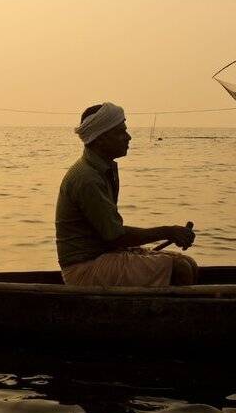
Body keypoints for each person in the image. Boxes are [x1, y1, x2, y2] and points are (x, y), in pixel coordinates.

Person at [55, 102, 198, 287]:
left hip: (103, 255)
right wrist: (168, 232)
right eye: (120, 132)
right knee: (181, 269)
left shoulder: (102, 170)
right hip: (84, 268)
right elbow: (116, 236)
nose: (128, 137)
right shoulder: (87, 178)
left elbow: (111, 235)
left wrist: (168, 234)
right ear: (100, 139)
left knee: (189, 263)